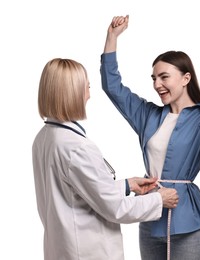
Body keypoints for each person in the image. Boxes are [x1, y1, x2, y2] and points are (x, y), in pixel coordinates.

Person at [100, 15, 200, 260]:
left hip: (188, 225)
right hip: (150, 217)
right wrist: (112, 37)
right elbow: (113, 87)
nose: (157, 84)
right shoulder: (147, 115)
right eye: (154, 78)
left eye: (164, 77)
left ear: (186, 79)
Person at [32, 58, 179, 260]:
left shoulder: (45, 137)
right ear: (72, 92)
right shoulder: (77, 148)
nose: (89, 95)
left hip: (62, 248)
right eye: (86, 87)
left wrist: (128, 186)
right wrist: (159, 200)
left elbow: (80, 192)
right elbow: (114, 208)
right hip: (88, 252)